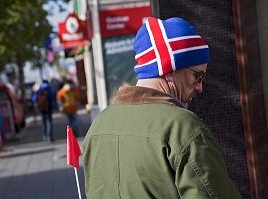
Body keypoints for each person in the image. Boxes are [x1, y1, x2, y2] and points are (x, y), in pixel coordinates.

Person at [82, 17, 241, 199]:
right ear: (170, 68)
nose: (200, 87)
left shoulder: (98, 126)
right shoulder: (182, 126)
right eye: (198, 76)